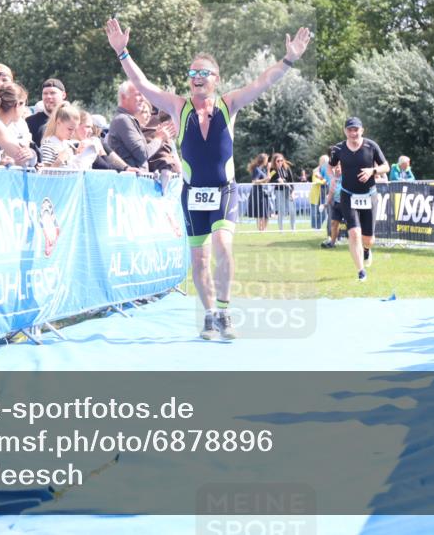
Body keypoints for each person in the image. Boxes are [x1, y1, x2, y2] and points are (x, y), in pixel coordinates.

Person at [105, 17, 312, 340]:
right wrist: (122, 52)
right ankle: (210, 315)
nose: (197, 77)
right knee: (199, 258)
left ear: (216, 79)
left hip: (224, 191)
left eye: (204, 73)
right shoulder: (178, 106)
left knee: (223, 246)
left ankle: (226, 312)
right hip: (192, 193)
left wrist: (288, 60)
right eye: (193, 73)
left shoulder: (229, 104)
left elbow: (262, 82)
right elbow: (143, 84)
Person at [329, 117, 389, 281]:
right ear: (345, 131)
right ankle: (361, 271)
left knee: (368, 239)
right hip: (348, 195)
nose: (353, 133)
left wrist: (372, 171)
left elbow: (386, 166)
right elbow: (330, 165)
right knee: (354, 233)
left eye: (356, 129)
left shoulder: (371, 146)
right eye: (350, 130)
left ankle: (367, 250)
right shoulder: (338, 149)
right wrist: (333, 177)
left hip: (369, 195)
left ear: (362, 130)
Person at [106, 81, 175, 170]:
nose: (143, 99)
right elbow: (143, 154)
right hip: (130, 181)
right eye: (138, 94)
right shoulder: (123, 120)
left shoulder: (126, 120)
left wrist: (159, 139)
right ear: (124, 97)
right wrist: (159, 138)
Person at [27, 79, 66, 148]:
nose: (48, 96)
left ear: (63, 95)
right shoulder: (31, 122)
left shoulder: (73, 119)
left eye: (52, 93)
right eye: (45, 93)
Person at [320, 161, 345, 249]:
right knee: (334, 223)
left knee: (352, 224)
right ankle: (332, 243)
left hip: (347, 204)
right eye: (336, 167)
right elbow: (331, 192)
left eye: (339, 167)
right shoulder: (333, 179)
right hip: (337, 204)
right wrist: (326, 203)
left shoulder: (347, 177)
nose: (337, 169)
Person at [269, 153, 296, 231]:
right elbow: (270, 181)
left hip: (288, 190)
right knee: (281, 210)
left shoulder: (286, 168)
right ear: (274, 161)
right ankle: (281, 229)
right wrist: (277, 180)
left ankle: (293, 229)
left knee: (292, 210)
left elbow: (291, 180)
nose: (280, 162)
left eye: (281, 160)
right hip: (279, 191)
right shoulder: (272, 170)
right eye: (278, 161)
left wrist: (293, 191)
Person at [247, 153, 271, 231]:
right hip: (258, 192)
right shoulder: (256, 169)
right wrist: (265, 179)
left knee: (266, 212)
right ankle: (260, 229)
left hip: (264, 192)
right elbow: (254, 181)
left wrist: (268, 169)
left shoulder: (263, 169)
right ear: (263, 160)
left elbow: (268, 179)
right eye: (267, 159)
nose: (267, 161)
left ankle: (264, 229)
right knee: (260, 212)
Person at [309, 155, 328, 230]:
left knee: (323, 213)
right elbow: (316, 181)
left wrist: (322, 178)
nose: (325, 163)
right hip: (316, 195)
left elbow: (328, 180)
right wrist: (324, 181)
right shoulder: (315, 171)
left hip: (324, 194)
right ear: (320, 162)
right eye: (323, 162)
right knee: (314, 213)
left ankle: (318, 227)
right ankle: (314, 228)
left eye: (326, 162)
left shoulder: (328, 170)